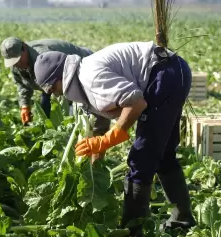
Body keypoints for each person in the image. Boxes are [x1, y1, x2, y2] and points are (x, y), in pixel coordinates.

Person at [33, 41, 196, 236]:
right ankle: (182, 219)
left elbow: (136, 103)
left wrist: (110, 138)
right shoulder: (83, 78)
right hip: (172, 71)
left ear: (60, 77)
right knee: (163, 154)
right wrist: (95, 162)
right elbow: (101, 119)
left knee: (141, 159)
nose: (54, 95)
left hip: (164, 75)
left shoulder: (90, 76)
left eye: (52, 88)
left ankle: (131, 230)